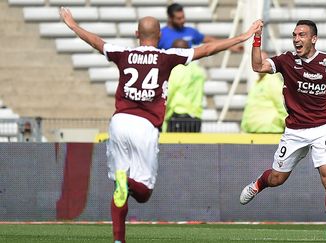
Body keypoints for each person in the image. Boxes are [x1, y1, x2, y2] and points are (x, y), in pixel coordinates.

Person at [59, 7, 262, 243]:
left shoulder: (123, 53)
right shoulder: (167, 56)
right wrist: (242, 36)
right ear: (158, 36)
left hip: (119, 122)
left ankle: (118, 239)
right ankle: (127, 184)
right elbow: (206, 49)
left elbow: (97, 42)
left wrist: (72, 24)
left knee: (119, 185)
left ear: (137, 34)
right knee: (143, 193)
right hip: (145, 126)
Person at [239, 20, 326, 243]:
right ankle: (259, 184)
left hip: (323, 128)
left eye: (302, 35)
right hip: (295, 130)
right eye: (294, 35)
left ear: (313, 39)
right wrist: (257, 38)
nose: (296, 39)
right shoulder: (286, 60)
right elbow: (257, 67)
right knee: (278, 178)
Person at [158, 2, 242, 52]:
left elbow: (210, 40)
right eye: (179, 18)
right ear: (170, 18)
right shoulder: (161, 35)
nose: (182, 20)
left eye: (183, 17)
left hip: (188, 72)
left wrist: (231, 46)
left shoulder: (190, 32)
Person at [163, 39, 206, 132]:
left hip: (178, 116)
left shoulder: (175, 70)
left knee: (174, 147)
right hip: (196, 118)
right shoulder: (198, 70)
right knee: (191, 146)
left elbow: (168, 93)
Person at [241, 51, 287, 133]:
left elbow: (283, 106)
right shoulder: (257, 82)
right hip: (254, 134)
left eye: (262, 61)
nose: (259, 63)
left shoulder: (273, 81)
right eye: (257, 61)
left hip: (269, 133)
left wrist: (278, 124)